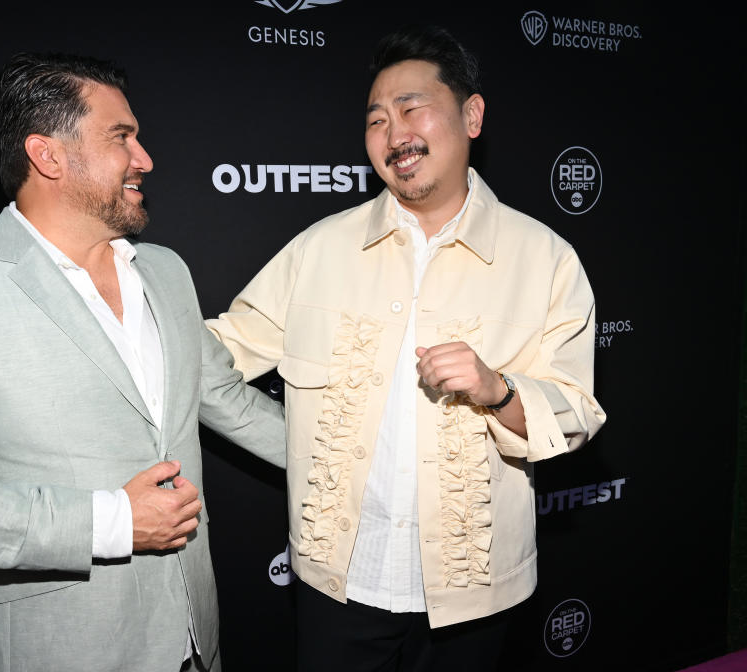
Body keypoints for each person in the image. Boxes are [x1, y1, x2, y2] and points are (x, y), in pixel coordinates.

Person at [205, 25, 606, 671]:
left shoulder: (547, 260)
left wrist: (497, 389)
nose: (395, 135)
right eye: (376, 120)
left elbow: (578, 412)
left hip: (475, 597)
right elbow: (221, 348)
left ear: (471, 115)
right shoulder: (320, 249)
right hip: (339, 583)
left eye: (412, 108)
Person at [0, 52, 286, 672]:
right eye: (122, 137)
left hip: (195, 636)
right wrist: (116, 521)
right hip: (66, 647)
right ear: (48, 156)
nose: (144, 157)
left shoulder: (166, 270)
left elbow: (225, 399)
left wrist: (364, 459)